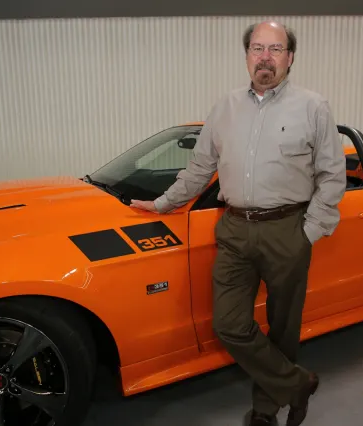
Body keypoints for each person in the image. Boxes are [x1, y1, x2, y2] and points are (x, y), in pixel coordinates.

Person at [130, 20, 347, 426]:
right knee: (228, 325)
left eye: (275, 49)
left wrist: (308, 232)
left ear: (290, 58)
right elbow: (200, 168)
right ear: (247, 55)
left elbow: (333, 175)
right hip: (234, 229)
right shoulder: (225, 108)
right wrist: (162, 204)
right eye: (257, 48)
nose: (265, 57)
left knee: (283, 327)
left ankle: (265, 411)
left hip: (288, 229)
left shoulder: (313, 107)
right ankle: (296, 385)